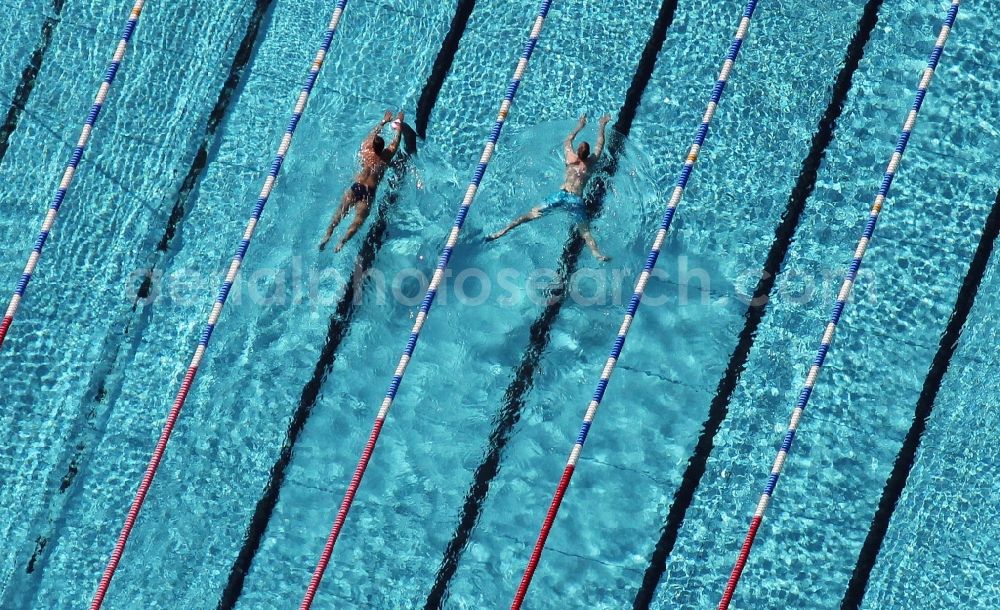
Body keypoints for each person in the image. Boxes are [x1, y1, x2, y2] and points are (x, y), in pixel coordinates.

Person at [487, 113, 611, 261]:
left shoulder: (570, 157)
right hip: (576, 200)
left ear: (577, 151)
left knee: (532, 214)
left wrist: (580, 125)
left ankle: (503, 231)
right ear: (588, 153)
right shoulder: (591, 162)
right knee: (584, 231)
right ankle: (597, 253)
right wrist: (602, 125)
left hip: (560, 195)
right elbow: (600, 143)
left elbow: (568, 139)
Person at [320, 110, 404, 252]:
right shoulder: (385, 158)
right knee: (357, 221)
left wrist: (383, 121)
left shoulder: (366, 150)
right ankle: (342, 241)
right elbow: (396, 141)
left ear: (372, 145)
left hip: (356, 187)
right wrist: (400, 125)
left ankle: (327, 235)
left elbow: (372, 134)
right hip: (368, 193)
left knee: (339, 213)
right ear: (383, 147)